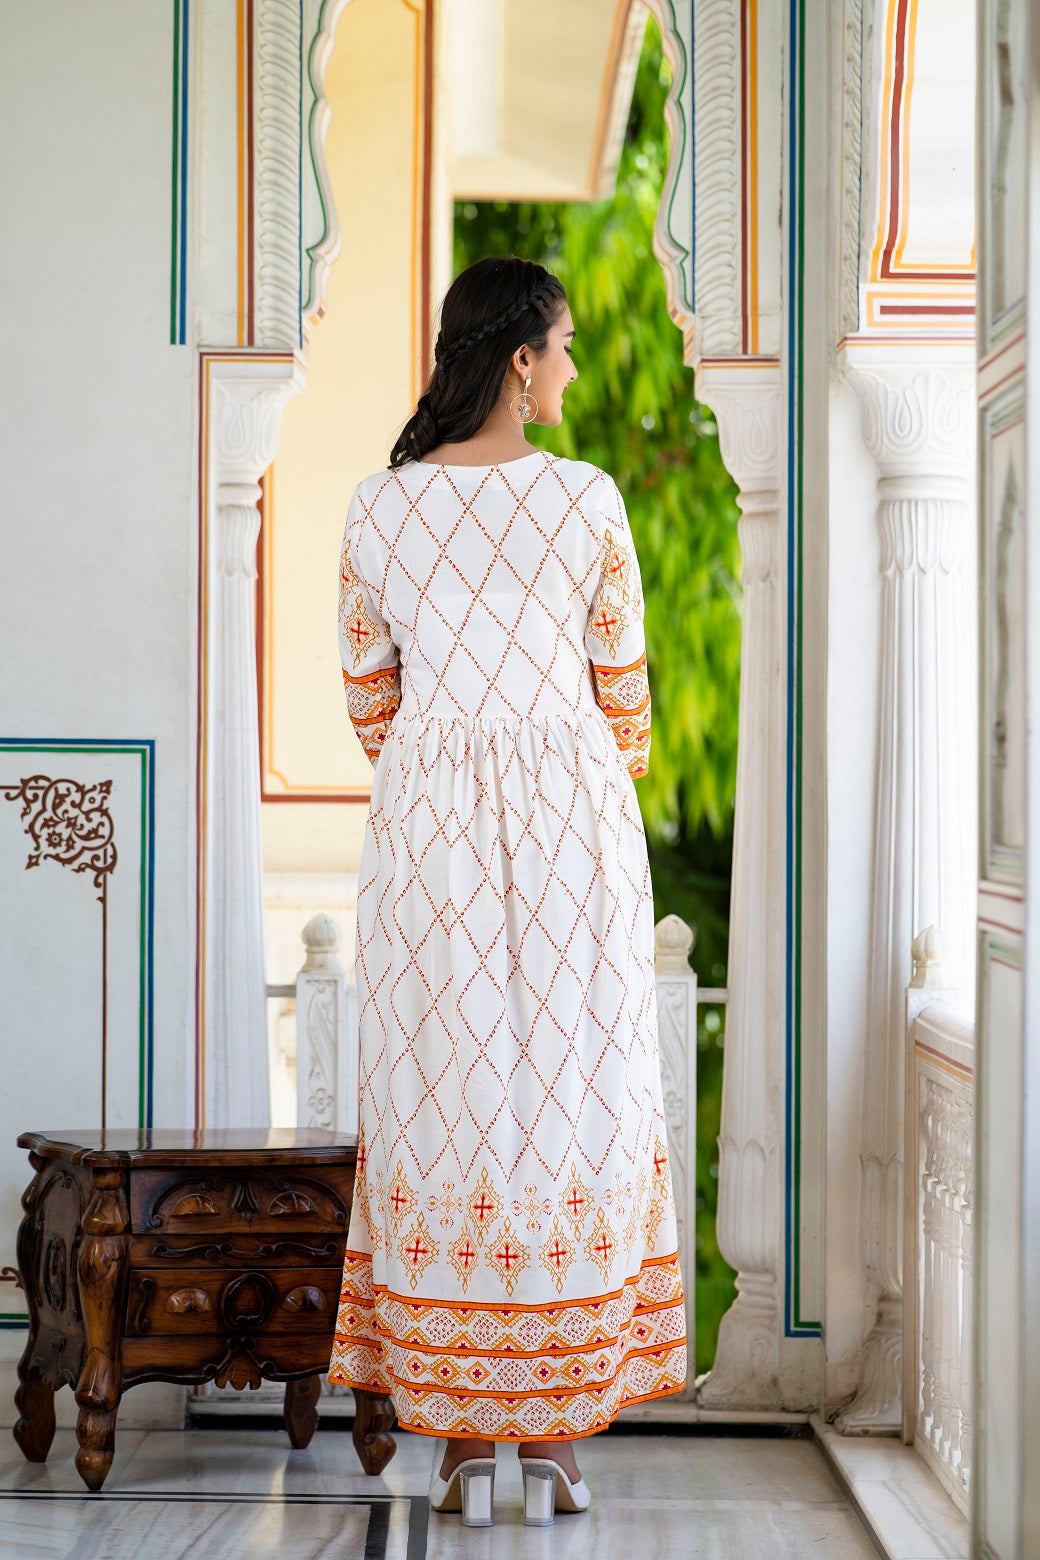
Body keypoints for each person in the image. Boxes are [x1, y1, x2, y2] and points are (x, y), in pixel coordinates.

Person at [328, 255, 686, 1527]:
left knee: (446, 1094)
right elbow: (624, 693)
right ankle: (552, 1436)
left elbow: (368, 698)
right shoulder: (584, 499)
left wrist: (444, 766)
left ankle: (464, 1438)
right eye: (566, 345)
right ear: (521, 358)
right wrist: (567, 767)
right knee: (570, 1093)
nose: (574, 367)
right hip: (571, 819)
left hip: (425, 827)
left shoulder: (377, 506)